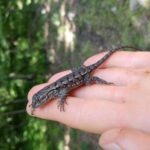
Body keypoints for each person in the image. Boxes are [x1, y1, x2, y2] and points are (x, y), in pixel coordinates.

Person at [27, 50, 150, 150]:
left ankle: (100, 80)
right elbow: (62, 90)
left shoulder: (54, 92)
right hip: (79, 72)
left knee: (88, 82)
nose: (38, 104)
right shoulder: (52, 91)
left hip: (83, 76)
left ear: (45, 96)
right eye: (38, 102)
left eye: (39, 101)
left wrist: (62, 100)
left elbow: (64, 92)